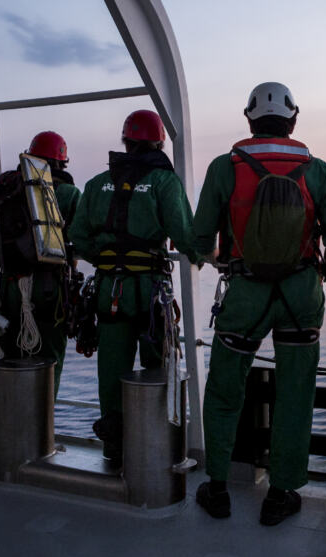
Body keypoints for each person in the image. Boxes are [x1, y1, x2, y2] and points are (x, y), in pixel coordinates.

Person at [193, 82, 326, 525]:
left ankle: (218, 486)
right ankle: (280, 494)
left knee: (224, 389)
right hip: (301, 294)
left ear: (249, 120)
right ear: (293, 121)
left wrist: (220, 257)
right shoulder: (319, 171)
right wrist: (322, 272)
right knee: (295, 396)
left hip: (245, 293)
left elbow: (202, 237)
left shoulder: (225, 167)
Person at [68, 110, 199, 463]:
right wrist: (206, 254)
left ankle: (115, 446)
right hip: (151, 292)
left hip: (111, 291)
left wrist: (106, 260)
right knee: (157, 365)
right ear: (158, 143)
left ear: (125, 142)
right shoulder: (163, 182)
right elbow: (186, 235)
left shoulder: (96, 184)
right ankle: (156, 445)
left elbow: (77, 237)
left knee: (112, 370)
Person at [0, 131, 81, 397]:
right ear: (61, 162)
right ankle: (41, 434)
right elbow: (81, 238)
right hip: (48, 290)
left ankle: (14, 428)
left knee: (13, 355)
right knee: (48, 360)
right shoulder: (67, 193)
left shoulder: (5, 188)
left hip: (6, 288)